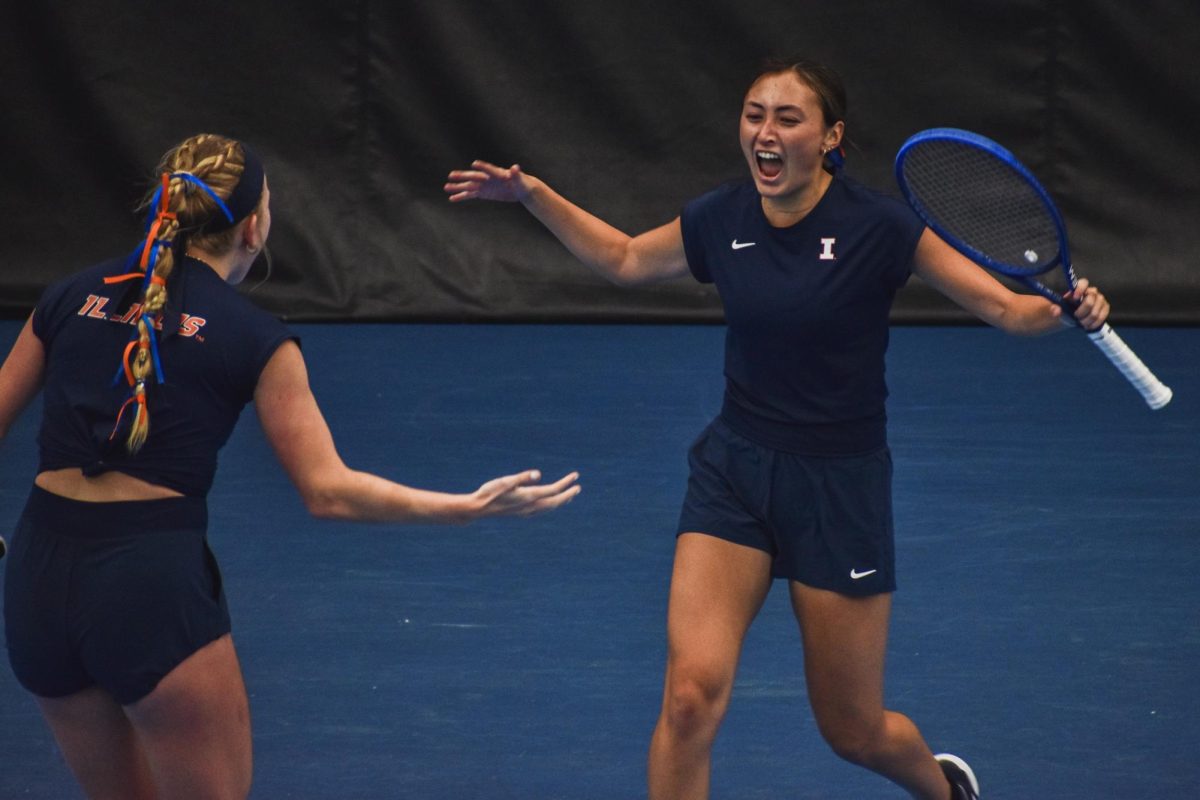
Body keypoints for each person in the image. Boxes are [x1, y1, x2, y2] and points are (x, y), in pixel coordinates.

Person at [445, 58, 1109, 800]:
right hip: (735, 471)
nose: (766, 132)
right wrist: (531, 195)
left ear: (830, 137)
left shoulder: (882, 227)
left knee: (853, 730)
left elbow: (1006, 309)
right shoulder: (720, 218)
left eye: (788, 118)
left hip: (840, 487)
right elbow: (626, 259)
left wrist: (1061, 308)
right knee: (690, 696)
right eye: (754, 114)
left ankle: (945, 789)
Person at [0, 133, 581, 800]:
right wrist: (464, 506)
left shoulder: (67, 297)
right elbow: (327, 492)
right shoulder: (255, 338)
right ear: (253, 228)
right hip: (146, 589)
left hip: (37, 582)